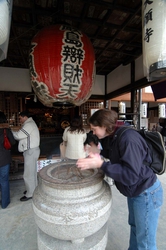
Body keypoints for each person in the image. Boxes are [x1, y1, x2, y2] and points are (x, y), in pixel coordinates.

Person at [77, 109, 163, 250]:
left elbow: (130, 175)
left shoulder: (128, 139)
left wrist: (101, 164)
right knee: (136, 229)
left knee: (145, 241)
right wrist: (98, 152)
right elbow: (117, 154)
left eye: (94, 129)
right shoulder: (116, 135)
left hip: (146, 193)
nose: (93, 133)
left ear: (104, 126)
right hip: (136, 192)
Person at [12, 111, 40, 202]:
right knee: (32, 172)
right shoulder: (30, 123)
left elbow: (19, 136)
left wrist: (10, 131)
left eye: (20, 118)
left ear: (25, 117)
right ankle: (33, 189)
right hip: (33, 150)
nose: (19, 120)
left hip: (31, 151)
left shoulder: (29, 125)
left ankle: (30, 193)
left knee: (28, 174)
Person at [0, 111, 15, 209]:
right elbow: (13, 142)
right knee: (4, 181)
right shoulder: (6, 130)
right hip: (4, 158)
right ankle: (4, 203)